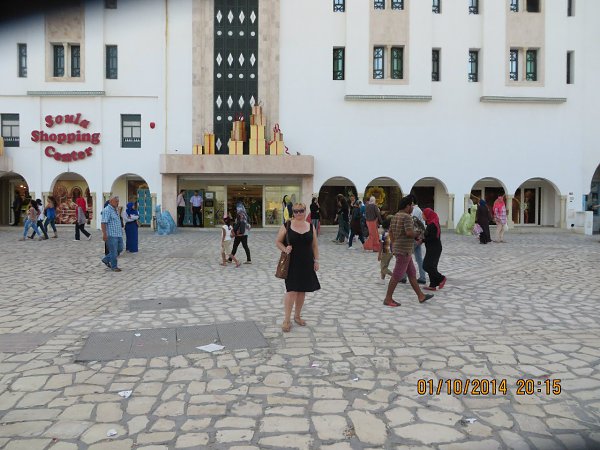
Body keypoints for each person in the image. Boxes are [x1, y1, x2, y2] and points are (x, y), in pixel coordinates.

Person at [275, 202, 320, 332]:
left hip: (307, 262)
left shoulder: (310, 226)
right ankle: (286, 319)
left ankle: (297, 316)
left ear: (305, 211)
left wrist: (316, 261)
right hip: (292, 263)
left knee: (302, 291)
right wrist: (285, 249)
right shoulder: (287, 225)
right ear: (293, 212)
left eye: (301, 211)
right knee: (291, 291)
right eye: (296, 211)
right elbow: (278, 241)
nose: (299, 213)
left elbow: (314, 245)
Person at [383, 196, 434, 307]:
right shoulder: (406, 217)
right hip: (404, 250)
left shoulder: (396, 216)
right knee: (397, 275)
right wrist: (418, 233)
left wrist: (394, 244)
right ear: (407, 206)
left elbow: (390, 232)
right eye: (411, 205)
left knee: (411, 273)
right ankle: (388, 298)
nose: (412, 207)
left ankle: (421, 296)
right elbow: (409, 233)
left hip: (400, 249)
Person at [422, 208, 446, 291]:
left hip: (434, 248)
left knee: (426, 266)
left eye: (423, 214)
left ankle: (441, 278)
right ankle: (433, 285)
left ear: (427, 215)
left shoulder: (433, 224)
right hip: (432, 247)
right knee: (431, 266)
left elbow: (433, 238)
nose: (422, 216)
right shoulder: (431, 223)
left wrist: (423, 240)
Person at [101, 195, 124, 272]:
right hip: (111, 235)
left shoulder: (116, 210)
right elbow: (103, 222)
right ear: (110, 201)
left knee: (120, 248)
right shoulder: (107, 210)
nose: (117, 203)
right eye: (116, 201)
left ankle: (106, 259)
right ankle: (114, 267)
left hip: (118, 234)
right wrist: (104, 234)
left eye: (118, 201)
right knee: (113, 251)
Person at [409, 194, 427, 284]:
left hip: (413, 236)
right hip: (419, 237)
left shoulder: (413, 210)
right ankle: (422, 276)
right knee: (419, 258)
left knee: (407, 256)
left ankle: (403, 276)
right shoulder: (419, 210)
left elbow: (411, 224)